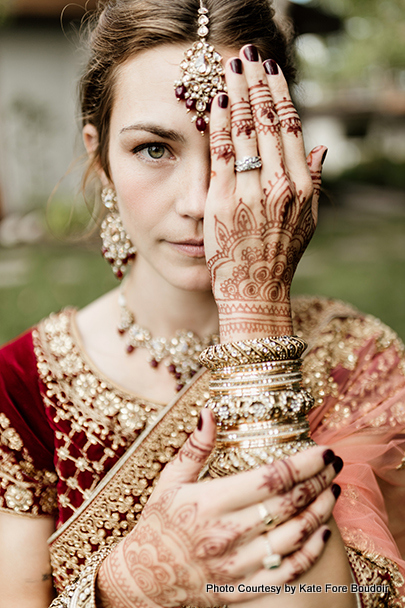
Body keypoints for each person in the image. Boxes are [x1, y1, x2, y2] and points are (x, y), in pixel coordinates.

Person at [0, 1, 404, 607]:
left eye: (236, 149)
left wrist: (256, 310)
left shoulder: (359, 361)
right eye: (155, 149)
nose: (198, 200)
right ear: (100, 157)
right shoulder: (19, 388)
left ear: (288, 154)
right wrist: (123, 589)